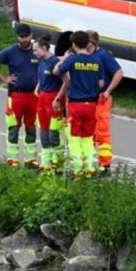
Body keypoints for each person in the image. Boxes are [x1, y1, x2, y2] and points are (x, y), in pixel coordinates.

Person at [0, 23, 39, 168]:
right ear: (17, 37)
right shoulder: (10, 52)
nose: (23, 40)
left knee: (31, 128)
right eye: (21, 37)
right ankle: (13, 160)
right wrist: (4, 79)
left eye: (26, 36)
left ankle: (30, 160)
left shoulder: (36, 50)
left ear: (31, 35)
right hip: (16, 95)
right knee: (14, 128)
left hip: (33, 96)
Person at [53, 31, 104, 178]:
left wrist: (66, 58)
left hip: (76, 104)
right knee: (88, 138)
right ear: (88, 43)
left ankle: (76, 170)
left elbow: (56, 71)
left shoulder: (73, 60)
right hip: (91, 105)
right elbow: (101, 83)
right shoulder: (96, 61)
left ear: (74, 44)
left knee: (75, 138)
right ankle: (89, 169)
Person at [87, 31, 124, 175]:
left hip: (101, 98)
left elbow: (118, 72)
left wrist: (108, 90)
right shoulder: (83, 55)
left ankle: (105, 164)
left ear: (92, 43)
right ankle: (89, 163)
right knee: (88, 132)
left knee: (102, 131)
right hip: (87, 99)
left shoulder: (103, 55)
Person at [33, 35, 65, 173]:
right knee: (44, 133)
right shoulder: (41, 61)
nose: (34, 53)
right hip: (42, 97)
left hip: (53, 98)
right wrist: (38, 86)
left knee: (54, 134)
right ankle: (45, 165)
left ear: (44, 48)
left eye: (36, 50)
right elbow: (42, 77)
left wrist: (58, 98)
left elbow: (66, 81)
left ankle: (57, 165)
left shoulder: (54, 62)